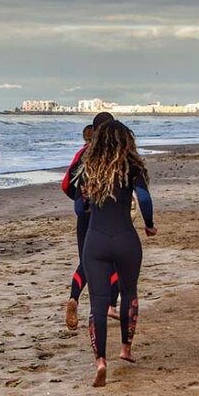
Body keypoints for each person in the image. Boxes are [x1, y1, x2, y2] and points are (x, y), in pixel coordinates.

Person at [80, 120, 157, 387]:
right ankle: (125, 349)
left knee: (98, 303)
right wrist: (148, 224)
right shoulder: (133, 167)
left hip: (96, 239)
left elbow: (80, 206)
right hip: (125, 237)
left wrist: (91, 206)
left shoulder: (89, 167)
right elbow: (144, 199)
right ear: (127, 140)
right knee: (129, 293)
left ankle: (101, 361)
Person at [62, 112, 119, 328]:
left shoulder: (83, 153)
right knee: (115, 261)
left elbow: (66, 184)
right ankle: (110, 305)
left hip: (85, 217)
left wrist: (80, 197)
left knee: (87, 262)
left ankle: (74, 298)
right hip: (109, 217)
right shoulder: (116, 154)